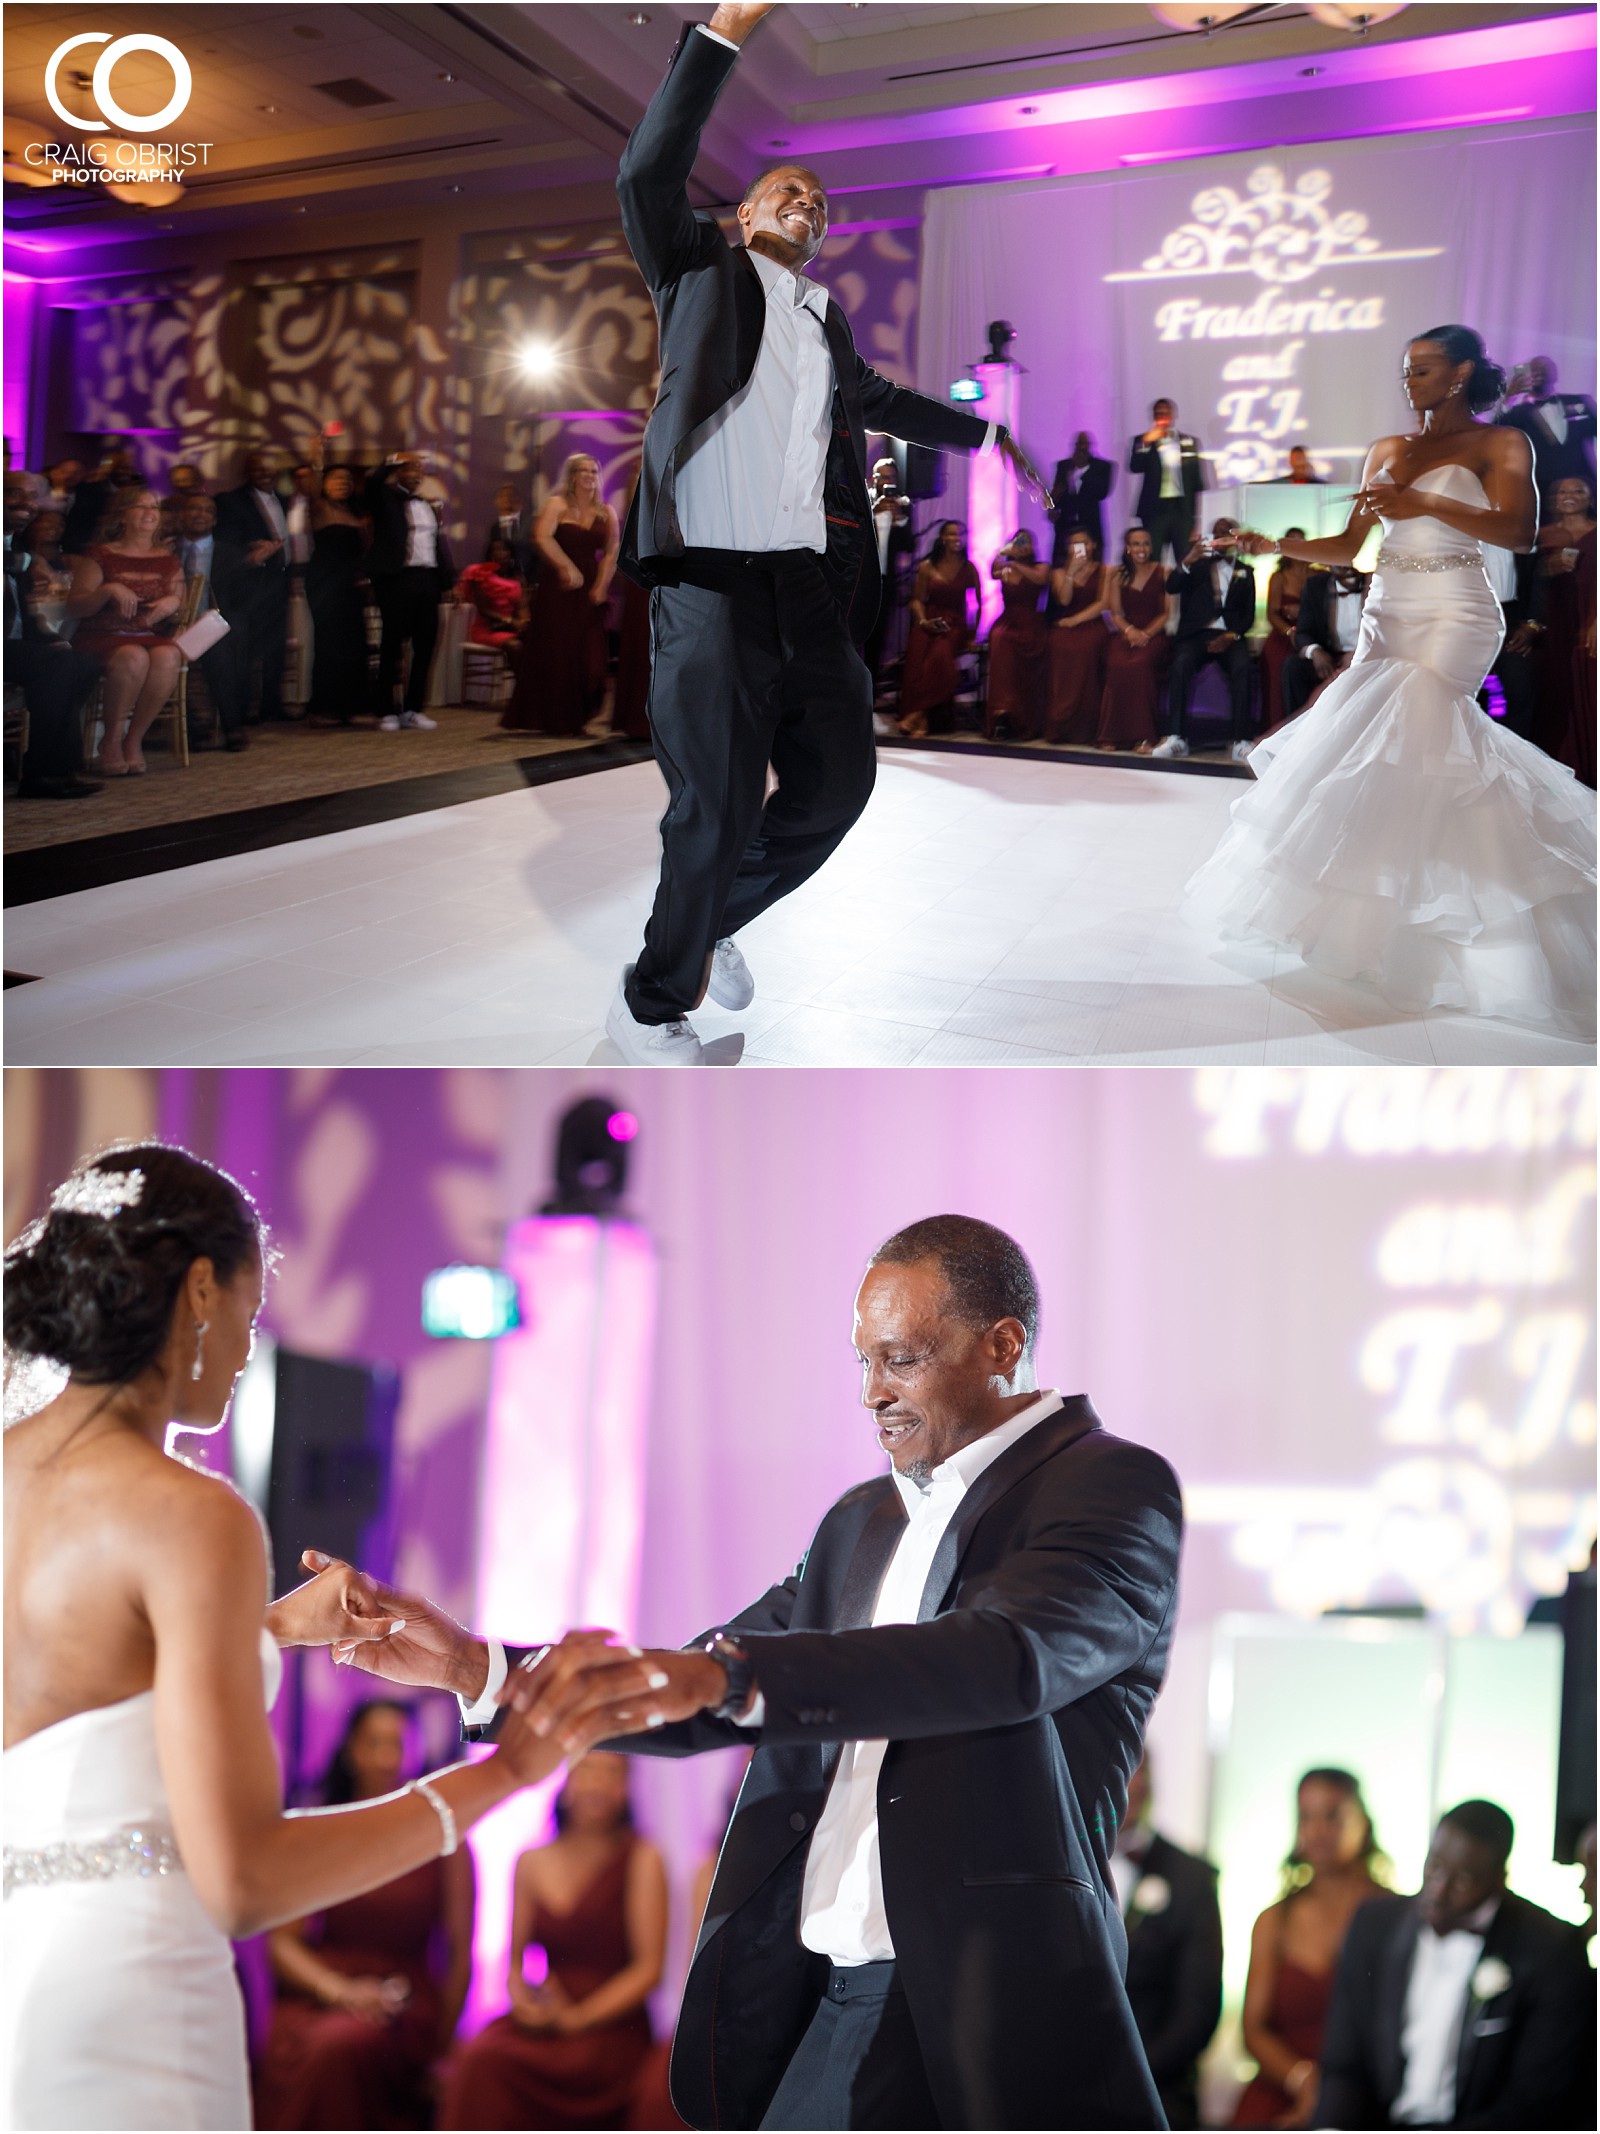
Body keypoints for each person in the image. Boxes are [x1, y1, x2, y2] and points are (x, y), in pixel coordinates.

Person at [325, 1213, 1184, 2131]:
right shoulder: (863, 1519)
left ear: (1002, 1346)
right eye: (862, 1362)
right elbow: (701, 1683)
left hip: (982, 2008)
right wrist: (479, 1667)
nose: (871, 1394)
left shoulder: (1110, 1486)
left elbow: (1003, 1659)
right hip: (830, 1995)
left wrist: (732, 1679)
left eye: (899, 1360)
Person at [1, 1143, 638, 2134]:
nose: (249, 1348)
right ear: (199, 1288)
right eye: (250, 1316)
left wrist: (266, 1631)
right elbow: (246, 1880)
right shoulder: (190, 1515)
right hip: (132, 1994)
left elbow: (85, 1688)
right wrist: (504, 1773)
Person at [607, 0, 1049, 1063]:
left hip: (801, 588)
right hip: (706, 581)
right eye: (784, 188)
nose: (804, 200)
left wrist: (986, 432)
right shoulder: (696, 269)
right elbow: (644, 174)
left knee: (837, 787)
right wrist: (725, 30)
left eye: (817, 199)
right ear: (749, 208)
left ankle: (708, 922)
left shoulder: (822, 321)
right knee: (711, 804)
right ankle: (658, 998)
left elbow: (883, 400)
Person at [1187, 323, 1597, 1033]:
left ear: (1463, 373)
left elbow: (1519, 532)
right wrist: (1271, 545)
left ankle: (1475, 935)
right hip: (1389, 610)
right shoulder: (1387, 449)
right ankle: (1381, 927)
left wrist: (1428, 503)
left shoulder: (1500, 442)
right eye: (1407, 372)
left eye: (1425, 370)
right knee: (1392, 759)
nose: (1411, 383)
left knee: (1421, 733)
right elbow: (1350, 546)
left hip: (1456, 610)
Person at [254, 1699, 476, 2131]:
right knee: (314, 2042)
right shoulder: (319, 1830)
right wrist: (338, 1991)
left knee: (342, 2045)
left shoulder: (447, 1841)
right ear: (352, 1751)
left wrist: (447, 2051)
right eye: (374, 1744)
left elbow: (460, 1955)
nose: (386, 1758)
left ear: (417, 1753)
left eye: (398, 1745)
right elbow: (281, 1943)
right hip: (322, 1991)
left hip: (401, 2001)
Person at [1317, 1799, 1593, 2131]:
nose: (1438, 1889)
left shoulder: (1551, 1949)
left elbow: (1534, 2103)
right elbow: (1344, 2065)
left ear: (1499, 1879)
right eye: (1434, 1867)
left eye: (1461, 1880)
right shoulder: (1373, 1924)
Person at [438, 1752, 667, 2130]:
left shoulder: (644, 1858)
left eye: (612, 1773)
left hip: (611, 2025)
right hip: (548, 2013)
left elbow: (648, 1970)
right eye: (587, 1770)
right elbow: (513, 1963)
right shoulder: (531, 1860)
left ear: (627, 1788)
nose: (598, 1784)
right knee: (480, 2057)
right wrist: (525, 2002)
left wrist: (578, 2019)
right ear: (565, 1783)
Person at [1231, 1767, 1387, 2128]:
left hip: (1366, 2098)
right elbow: (1253, 2030)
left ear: (1363, 1821)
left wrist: (1339, 2094)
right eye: (1306, 1817)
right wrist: (1303, 2081)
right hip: (1281, 2090)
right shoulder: (1274, 1920)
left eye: (1332, 1816)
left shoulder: (1395, 1917)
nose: (1317, 1831)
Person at [1114, 1754, 1223, 2132]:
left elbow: (1198, 2010)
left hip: (1156, 2092)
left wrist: (1126, 2076)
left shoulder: (1191, 1879)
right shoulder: (1062, 1864)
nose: (1135, 1784)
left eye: (1140, 1772)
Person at [66, 484, 184, 775]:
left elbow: (178, 603)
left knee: (168, 656)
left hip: (148, 634)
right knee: (133, 656)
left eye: (154, 507)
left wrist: (172, 602)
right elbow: (75, 607)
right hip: (102, 636)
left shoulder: (167, 559)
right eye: (141, 506)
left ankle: (134, 739)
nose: (150, 513)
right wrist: (107, 589)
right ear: (122, 516)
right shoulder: (100, 555)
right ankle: (111, 740)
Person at [502, 456, 617, 736]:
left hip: (590, 587)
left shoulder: (606, 511)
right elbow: (542, 537)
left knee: (591, 655)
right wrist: (566, 566)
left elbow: (612, 551)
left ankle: (582, 710)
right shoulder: (557, 504)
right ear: (572, 476)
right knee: (558, 651)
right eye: (584, 471)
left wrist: (601, 585)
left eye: (594, 470)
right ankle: (559, 719)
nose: (590, 475)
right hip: (559, 587)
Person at [7, 505, 102, 798]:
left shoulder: (16, 547)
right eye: (13, 493)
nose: (25, 503)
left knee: (84, 664)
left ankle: (56, 766)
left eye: (30, 497)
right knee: (56, 666)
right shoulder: (19, 556)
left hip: (14, 645)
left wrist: (49, 638)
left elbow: (25, 615)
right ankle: (42, 773)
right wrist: (30, 560)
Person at [1153, 519, 1257, 762]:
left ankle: (1241, 740)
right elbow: (1171, 587)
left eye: (1229, 532)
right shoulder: (1196, 566)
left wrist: (1231, 636)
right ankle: (1176, 737)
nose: (1223, 536)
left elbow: (1248, 616)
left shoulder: (1246, 571)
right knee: (1181, 664)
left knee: (1242, 666)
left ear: (1236, 538)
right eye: (1219, 532)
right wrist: (1188, 559)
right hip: (1195, 636)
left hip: (1230, 636)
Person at [366, 453, 452, 732]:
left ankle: (414, 709)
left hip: (427, 578)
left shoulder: (427, 504)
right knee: (392, 645)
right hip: (397, 578)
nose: (416, 474)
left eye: (420, 471)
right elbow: (371, 482)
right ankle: (386, 709)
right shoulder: (385, 497)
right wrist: (391, 460)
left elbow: (437, 544)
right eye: (410, 469)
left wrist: (449, 581)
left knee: (425, 645)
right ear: (399, 472)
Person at [214, 450, 291, 724]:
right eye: (259, 469)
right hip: (249, 583)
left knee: (275, 648)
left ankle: (272, 704)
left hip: (280, 582)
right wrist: (249, 555)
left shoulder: (284, 499)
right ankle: (243, 709)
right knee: (245, 649)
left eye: (270, 469)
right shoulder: (231, 500)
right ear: (248, 472)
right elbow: (225, 541)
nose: (266, 474)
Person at [1528, 475, 1596, 778]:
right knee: (1553, 691)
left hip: (1590, 618)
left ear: (1590, 497)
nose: (1569, 496)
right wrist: (1546, 568)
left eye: (1578, 491)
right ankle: (1558, 767)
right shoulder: (1538, 535)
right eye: (1561, 491)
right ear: (1552, 498)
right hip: (1553, 624)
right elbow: (1526, 582)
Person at [176, 493, 249, 751]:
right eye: (194, 508)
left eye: (207, 510)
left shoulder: (232, 555)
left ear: (215, 519)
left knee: (220, 652)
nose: (200, 514)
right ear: (182, 515)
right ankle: (194, 728)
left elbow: (242, 602)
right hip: (171, 624)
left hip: (215, 622)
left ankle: (232, 727)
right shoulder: (166, 550)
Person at [896, 521, 981, 738]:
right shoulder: (927, 566)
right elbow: (916, 600)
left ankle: (918, 714)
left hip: (955, 623)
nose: (957, 538)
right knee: (919, 650)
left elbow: (977, 604)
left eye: (961, 533)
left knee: (939, 653)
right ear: (943, 538)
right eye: (952, 534)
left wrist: (973, 635)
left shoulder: (969, 567)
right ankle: (923, 718)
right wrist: (924, 621)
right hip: (930, 619)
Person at [306, 466, 373, 728]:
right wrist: (317, 458)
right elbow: (311, 487)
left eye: (347, 479)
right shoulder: (320, 507)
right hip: (324, 583)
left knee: (356, 641)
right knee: (330, 643)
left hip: (350, 583)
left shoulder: (357, 513)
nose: (343, 482)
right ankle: (326, 708)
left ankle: (353, 706)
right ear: (325, 483)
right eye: (337, 478)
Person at [1100, 525, 1169, 753]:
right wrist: (1130, 631)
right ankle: (1114, 735)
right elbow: (1115, 613)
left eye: (1146, 543)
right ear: (1128, 548)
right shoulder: (1117, 575)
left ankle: (1144, 736)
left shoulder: (1164, 572)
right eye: (1136, 544)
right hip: (1126, 633)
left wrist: (1146, 634)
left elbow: (1166, 613)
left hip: (1154, 634)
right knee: (1117, 664)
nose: (1142, 548)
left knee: (1140, 665)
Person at [1279, 565, 1368, 728]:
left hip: (1367, 656)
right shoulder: (1316, 586)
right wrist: (1315, 652)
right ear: (1330, 567)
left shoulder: (1373, 584)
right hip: (1330, 656)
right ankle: (1296, 731)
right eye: (1341, 565)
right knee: (1293, 667)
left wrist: (1359, 654)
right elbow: (1303, 632)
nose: (1349, 570)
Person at [1045, 528, 1110, 746]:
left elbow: (1103, 603)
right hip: (1065, 626)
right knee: (1058, 645)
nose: (1079, 548)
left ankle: (1088, 725)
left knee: (1087, 649)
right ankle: (1062, 721)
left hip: (1090, 624)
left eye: (1083, 543)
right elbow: (1064, 601)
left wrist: (1075, 621)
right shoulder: (1059, 573)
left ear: (1093, 546)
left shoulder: (1105, 570)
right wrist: (1071, 572)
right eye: (1074, 543)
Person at [1500, 356, 1596, 500]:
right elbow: (1498, 434)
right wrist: (1508, 399)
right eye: (1533, 369)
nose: (1538, 372)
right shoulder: (1517, 413)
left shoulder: (1580, 401)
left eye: (1544, 368)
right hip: (1542, 488)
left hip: (1584, 484)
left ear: (1555, 374)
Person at [984, 528, 1048, 740]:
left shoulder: (1041, 566)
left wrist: (1015, 563)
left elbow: (1039, 580)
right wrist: (1002, 552)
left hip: (1031, 622)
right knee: (1000, 640)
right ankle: (1002, 713)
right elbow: (992, 572)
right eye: (1018, 542)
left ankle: (1024, 717)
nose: (1022, 546)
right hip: (1008, 620)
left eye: (1026, 542)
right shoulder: (1004, 568)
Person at [1130, 399, 1206, 565]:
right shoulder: (1142, 441)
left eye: (1165, 413)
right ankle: (1156, 591)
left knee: (1186, 559)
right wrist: (1146, 442)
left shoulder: (1189, 442)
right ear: (1153, 417)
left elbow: (1197, 482)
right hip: (1155, 511)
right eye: (1158, 414)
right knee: (1152, 559)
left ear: (1173, 415)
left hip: (1182, 511)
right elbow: (1135, 466)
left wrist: (1197, 518)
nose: (1162, 417)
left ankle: (1184, 591)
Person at [863, 456, 913, 699]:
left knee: (878, 639)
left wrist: (899, 520)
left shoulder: (902, 505)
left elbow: (910, 547)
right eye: (883, 477)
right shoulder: (862, 500)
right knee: (854, 638)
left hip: (886, 583)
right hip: (860, 580)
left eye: (892, 477)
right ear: (874, 479)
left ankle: (869, 696)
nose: (888, 482)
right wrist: (873, 514)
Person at [1258, 531, 1308, 732]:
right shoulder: (1279, 577)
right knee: (1277, 682)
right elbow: (1272, 614)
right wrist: (1290, 632)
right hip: (1283, 637)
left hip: (1310, 636)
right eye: (1292, 541)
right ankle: (1276, 731)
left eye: (1300, 541)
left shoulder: (1318, 574)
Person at [1050, 429, 1114, 565]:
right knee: (1062, 563)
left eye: (1085, 444)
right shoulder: (1064, 466)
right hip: (1066, 524)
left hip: (1090, 523)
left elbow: (1102, 493)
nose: (1082, 448)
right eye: (1079, 444)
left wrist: (1083, 472)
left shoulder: (1102, 467)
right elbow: (1057, 492)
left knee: (1092, 564)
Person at [459, 532, 526, 648]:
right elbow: (484, 609)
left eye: (504, 549)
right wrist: (510, 621)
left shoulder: (517, 578)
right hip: (488, 629)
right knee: (517, 646)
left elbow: (522, 608)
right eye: (496, 550)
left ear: (511, 553)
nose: (500, 553)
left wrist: (524, 622)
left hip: (511, 628)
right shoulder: (481, 574)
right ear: (490, 555)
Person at [486, 480, 536, 581]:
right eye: (503, 496)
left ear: (519, 498)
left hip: (530, 580)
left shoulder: (532, 523)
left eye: (511, 495)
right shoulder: (495, 528)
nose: (507, 499)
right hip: (503, 583)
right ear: (496, 502)